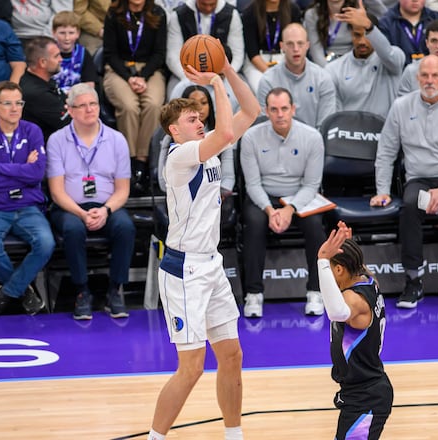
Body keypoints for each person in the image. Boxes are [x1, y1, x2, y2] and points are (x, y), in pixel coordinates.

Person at [148, 52, 260, 440]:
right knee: (191, 366)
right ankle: (155, 437)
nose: (199, 121)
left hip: (211, 264)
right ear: (174, 131)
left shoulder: (207, 145)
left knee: (232, 355)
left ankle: (234, 435)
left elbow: (251, 109)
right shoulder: (179, 155)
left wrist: (227, 69)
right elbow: (228, 133)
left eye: (201, 118)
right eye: (191, 119)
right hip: (183, 269)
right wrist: (213, 83)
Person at [371, 56, 438, 309]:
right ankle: (413, 281)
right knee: (410, 206)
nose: (430, 81)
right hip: (419, 180)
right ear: (418, 78)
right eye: (425, 76)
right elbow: (386, 152)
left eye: (435, 76)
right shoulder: (400, 107)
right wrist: (383, 191)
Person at [47, 83, 135, 320]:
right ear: (70, 110)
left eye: (93, 104)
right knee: (73, 229)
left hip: (107, 205)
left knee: (125, 227)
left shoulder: (117, 140)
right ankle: (81, 291)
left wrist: (105, 210)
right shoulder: (57, 140)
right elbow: (56, 191)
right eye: (82, 106)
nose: (89, 110)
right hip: (69, 207)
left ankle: (115, 289)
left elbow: (122, 190)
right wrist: (82, 213)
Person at [239, 87, 326, 318]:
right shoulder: (250, 137)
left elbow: (311, 185)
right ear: (266, 111)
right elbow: (253, 185)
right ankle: (253, 294)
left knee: (316, 225)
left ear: (293, 109)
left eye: (284, 109)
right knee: (253, 223)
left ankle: (316, 291)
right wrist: (270, 211)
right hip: (264, 197)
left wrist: (290, 209)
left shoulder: (312, 137)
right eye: (274, 109)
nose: (280, 114)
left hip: (299, 196)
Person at [0, 81, 55, 317]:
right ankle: (25, 292)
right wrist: (22, 169)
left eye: (18, 103)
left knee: (46, 243)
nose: (14, 108)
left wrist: (0, 167)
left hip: (28, 205)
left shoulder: (33, 131)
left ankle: (6, 294)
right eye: (7, 103)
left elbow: (37, 174)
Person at [316, 221, 392, 440]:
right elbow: (357, 264)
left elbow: (336, 312)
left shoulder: (354, 300)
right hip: (360, 391)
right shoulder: (367, 280)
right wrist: (347, 243)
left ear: (339, 269)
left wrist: (322, 260)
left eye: (330, 270)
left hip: (367, 398)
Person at [102, 0, 167, 188]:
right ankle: (128, 162)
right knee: (129, 106)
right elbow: (110, 53)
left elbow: (159, 53)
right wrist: (130, 77)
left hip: (150, 69)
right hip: (119, 68)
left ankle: (143, 160)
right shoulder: (113, 13)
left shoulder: (158, 13)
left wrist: (143, 76)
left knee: (154, 104)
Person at [325, 1, 404, 118]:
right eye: (357, 35)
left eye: (366, 35)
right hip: (349, 132)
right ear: (351, 35)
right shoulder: (334, 69)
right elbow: (334, 113)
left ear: (376, 33)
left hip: (384, 133)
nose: (362, 41)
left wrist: (369, 26)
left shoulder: (393, 58)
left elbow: (389, 55)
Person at [257, 23, 336, 128]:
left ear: (307, 45)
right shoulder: (268, 80)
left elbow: (325, 125)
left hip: (312, 142)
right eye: (290, 44)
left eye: (300, 43)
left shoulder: (323, 79)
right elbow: (264, 123)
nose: (295, 49)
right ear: (282, 46)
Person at [165, 0, 245, 93]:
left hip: (222, 72)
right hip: (187, 72)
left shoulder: (231, 14)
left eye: (212, 4)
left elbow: (237, 54)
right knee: (175, 93)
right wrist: (189, 77)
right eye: (204, 4)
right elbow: (173, 56)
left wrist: (226, 74)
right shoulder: (179, 14)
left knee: (240, 91)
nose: (208, 8)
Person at [240, 0, 302, 91]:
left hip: (286, 58)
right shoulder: (250, 13)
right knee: (263, 89)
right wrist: (272, 74)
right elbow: (252, 53)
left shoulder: (293, 10)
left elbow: (296, 44)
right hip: (258, 63)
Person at [19, 36, 69, 142]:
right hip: (44, 150)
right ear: (42, 62)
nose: (61, 59)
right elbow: (69, 123)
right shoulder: (36, 93)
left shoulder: (43, 80)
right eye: (56, 56)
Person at [377, 0, 438, 66]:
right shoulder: (386, 23)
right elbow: (386, 58)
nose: (415, 0)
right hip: (400, 75)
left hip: (434, 74)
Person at [52, 10, 97, 94]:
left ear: (78, 34)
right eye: (62, 33)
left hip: (77, 98)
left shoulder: (83, 53)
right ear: (54, 33)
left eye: (71, 33)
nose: (67, 38)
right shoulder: (48, 53)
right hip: (53, 97)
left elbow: (90, 84)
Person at [304, 0, 354, 67]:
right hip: (323, 65)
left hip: (351, 64)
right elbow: (316, 51)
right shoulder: (312, 14)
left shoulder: (356, 12)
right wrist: (328, 73)